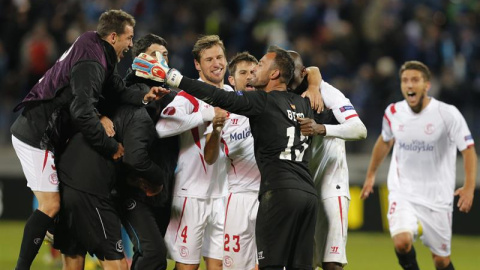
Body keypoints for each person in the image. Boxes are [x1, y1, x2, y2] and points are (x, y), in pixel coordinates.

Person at [134, 45, 319, 270]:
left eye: (259, 66)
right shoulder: (303, 104)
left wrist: (173, 77)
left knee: (269, 265)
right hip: (306, 193)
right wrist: (316, 83)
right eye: (245, 72)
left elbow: (215, 94)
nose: (253, 73)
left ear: (274, 74)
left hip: (277, 194)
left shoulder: (260, 102)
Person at [10, 9, 161, 270]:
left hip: (44, 130)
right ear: (113, 37)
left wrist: (144, 97)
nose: (130, 44)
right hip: (38, 133)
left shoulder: (94, 45)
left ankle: (54, 229)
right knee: (51, 204)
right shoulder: (93, 61)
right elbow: (81, 110)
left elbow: (114, 89)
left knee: (58, 208)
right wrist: (110, 146)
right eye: (128, 38)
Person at [361, 60, 477, 270]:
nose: (409, 85)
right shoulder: (393, 112)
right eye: (405, 80)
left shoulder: (447, 114)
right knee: (402, 242)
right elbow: (385, 141)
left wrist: (469, 187)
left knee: (441, 260)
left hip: (437, 196)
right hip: (403, 191)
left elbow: (468, 150)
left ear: (427, 85)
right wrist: (370, 175)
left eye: (415, 80)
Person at [155, 35, 230, 270]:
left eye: (219, 57)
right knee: (187, 266)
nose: (216, 63)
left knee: (220, 266)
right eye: (209, 59)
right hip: (191, 194)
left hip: (224, 195)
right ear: (198, 65)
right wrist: (205, 115)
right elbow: (162, 127)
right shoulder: (188, 96)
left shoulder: (234, 95)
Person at [288, 51, 367, 270]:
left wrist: (321, 128)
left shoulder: (327, 92)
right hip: (300, 187)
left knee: (332, 262)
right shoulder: (279, 93)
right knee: (299, 263)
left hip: (332, 183)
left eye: (290, 72)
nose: (285, 78)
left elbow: (359, 130)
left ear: (303, 72)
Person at [114, 33, 178, 270]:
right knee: (153, 253)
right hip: (134, 190)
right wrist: (155, 178)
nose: (161, 59)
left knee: (150, 255)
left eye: (165, 55)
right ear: (140, 59)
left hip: (162, 191)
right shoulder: (129, 92)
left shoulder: (173, 96)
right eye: (154, 54)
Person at [203, 51, 260, 270]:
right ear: (231, 80)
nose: (248, 77)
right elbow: (209, 158)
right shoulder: (223, 112)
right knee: (234, 266)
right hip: (238, 198)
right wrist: (216, 132)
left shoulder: (270, 105)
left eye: (253, 72)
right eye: (243, 72)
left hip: (268, 194)